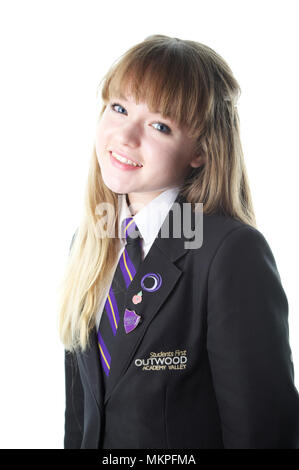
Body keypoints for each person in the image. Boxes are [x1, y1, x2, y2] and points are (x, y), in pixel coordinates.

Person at [58, 34, 299, 449]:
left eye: (160, 125)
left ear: (200, 151)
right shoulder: (89, 243)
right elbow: (80, 418)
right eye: (119, 108)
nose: (125, 136)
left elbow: (265, 433)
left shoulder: (229, 252)